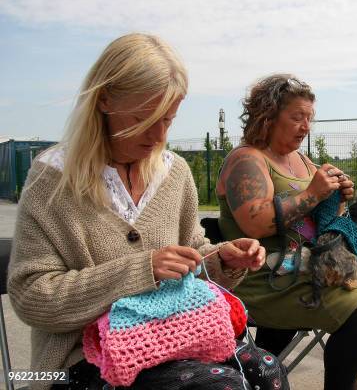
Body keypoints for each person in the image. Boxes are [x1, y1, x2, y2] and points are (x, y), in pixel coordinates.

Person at [8, 33, 270, 390]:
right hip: (80, 362)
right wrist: (140, 270)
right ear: (104, 100)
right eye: (145, 119)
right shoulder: (52, 181)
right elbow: (31, 297)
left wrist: (222, 260)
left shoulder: (174, 173)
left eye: (169, 120)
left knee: (265, 372)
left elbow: (190, 262)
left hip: (175, 337)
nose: (159, 135)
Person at [216, 73, 357, 390]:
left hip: (304, 264)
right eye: (297, 117)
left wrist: (339, 198)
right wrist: (314, 193)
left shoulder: (300, 160)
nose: (306, 127)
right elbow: (255, 223)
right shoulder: (247, 159)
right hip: (262, 276)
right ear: (268, 116)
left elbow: (324, 219)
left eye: (309, 118)